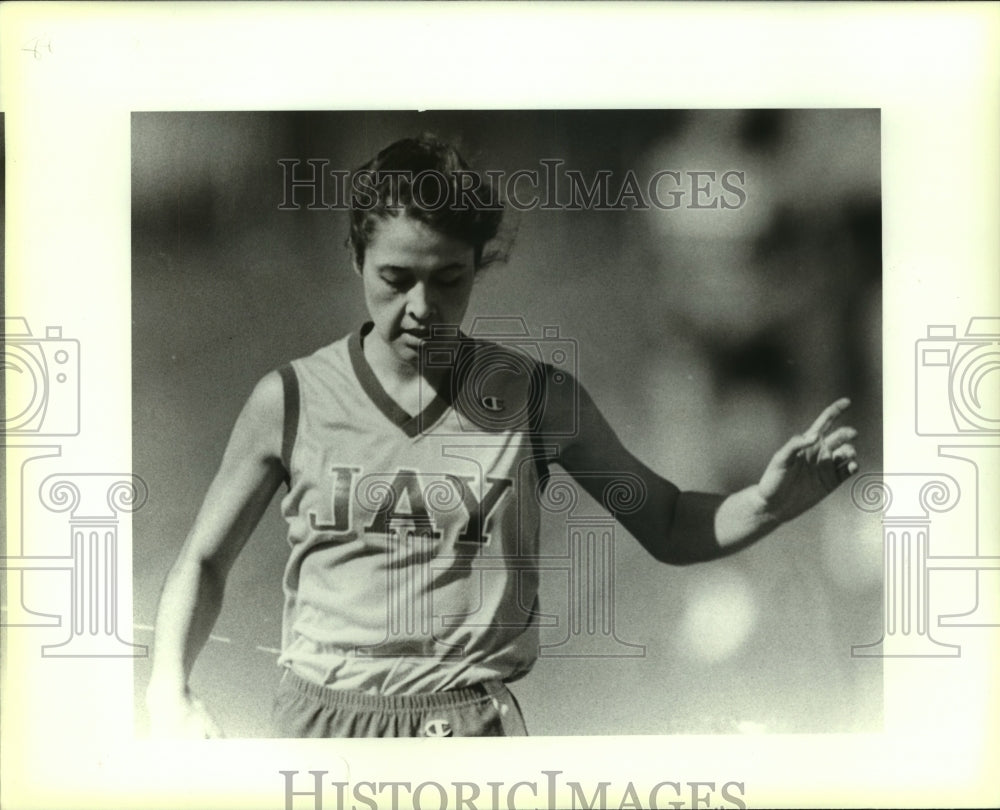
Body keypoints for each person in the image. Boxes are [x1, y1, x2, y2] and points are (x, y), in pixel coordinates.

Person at [146, 134, 859, 739]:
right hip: (317, 725)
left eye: (448, 279)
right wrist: (168, 690)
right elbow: (204, 559)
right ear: (355, 258)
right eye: (395, 278)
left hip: (466, 730)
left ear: (479, 267)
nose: (422, 306)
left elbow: (668, 521)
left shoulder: (536, 399)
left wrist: (766, 503)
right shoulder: (289, 399)